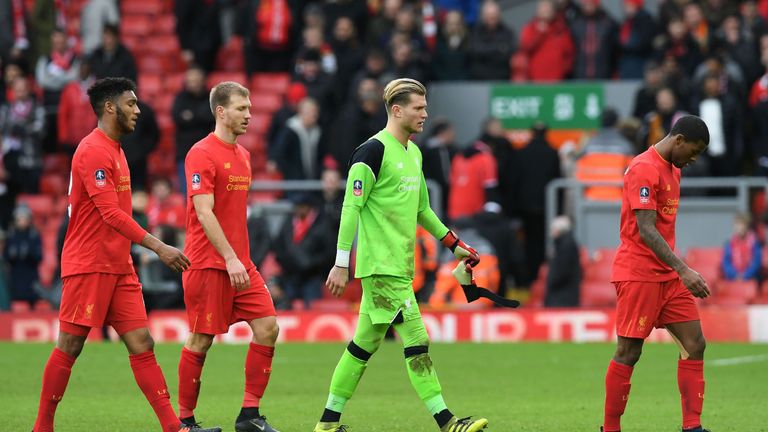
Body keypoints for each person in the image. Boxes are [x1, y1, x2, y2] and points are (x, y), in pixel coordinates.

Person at [31, 77, 219, 432]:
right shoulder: (92, 151)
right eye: (131, 104)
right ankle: (42, 427)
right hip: (89, 263)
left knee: (141, 341)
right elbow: (111, 214)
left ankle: (172, 427)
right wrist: (159, 246)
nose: (137, 110)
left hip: (118, 264)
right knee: (70, 344)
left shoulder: (116, 150)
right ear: (109, 107)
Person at [314, 78, 488, 432]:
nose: (425, 114)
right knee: (417, 340)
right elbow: (351, 207)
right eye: (419, 108)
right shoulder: (371, 152)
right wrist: (341, 262)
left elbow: (422, 209)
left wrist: (455, 243)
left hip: (399, 265)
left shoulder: (414, 152)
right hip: (381, 266)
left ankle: (327, 424)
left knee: (362, 347)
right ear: (397, 110)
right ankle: (447, 421)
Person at [179, 81, 280, 432]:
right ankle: (185, 422)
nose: (249, 115)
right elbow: (204, 212)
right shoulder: (201, 153)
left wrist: (239, 258)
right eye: (241, 109)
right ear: (221, 111)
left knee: (268, 328)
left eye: (250, 108)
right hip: (208, 263)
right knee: (201, 340)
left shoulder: (244, 156)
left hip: (241, 262)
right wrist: (229, 258)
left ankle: (249, 415)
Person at [602, 115, 711, 432]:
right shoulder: (643, 168)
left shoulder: (674, 169)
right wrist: (684, 269)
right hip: (639, 273)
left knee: (695, 343)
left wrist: (677, 272)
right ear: (678, 140)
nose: (693, 159)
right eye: (694, 150)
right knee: (629, 351)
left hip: (669, 278)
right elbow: (646, 230)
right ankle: (610, 428)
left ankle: (692, 427)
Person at [722, 213, 761, 281]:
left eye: (741, 225)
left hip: (751, 278)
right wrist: (735, 275)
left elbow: (756, 263)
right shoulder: (730, 244)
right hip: (733, 279)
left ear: (747, 226)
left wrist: (745, 275)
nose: (739, 228)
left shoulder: (754, 243)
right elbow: (726, 263)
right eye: (736, 225)